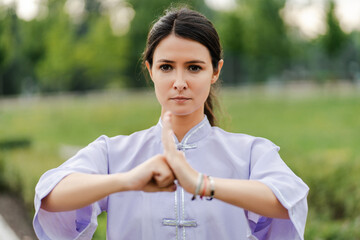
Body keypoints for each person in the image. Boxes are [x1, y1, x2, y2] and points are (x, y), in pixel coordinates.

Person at [33, 7, 309, 240]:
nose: (179, 83)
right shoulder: (114, 153)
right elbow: (49, 195)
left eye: (194, 67)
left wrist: (201, 183)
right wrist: (128, 180)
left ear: (215, 71)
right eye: (166, 67)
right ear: (150, 70)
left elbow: (289, 201)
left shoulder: (248, 153)